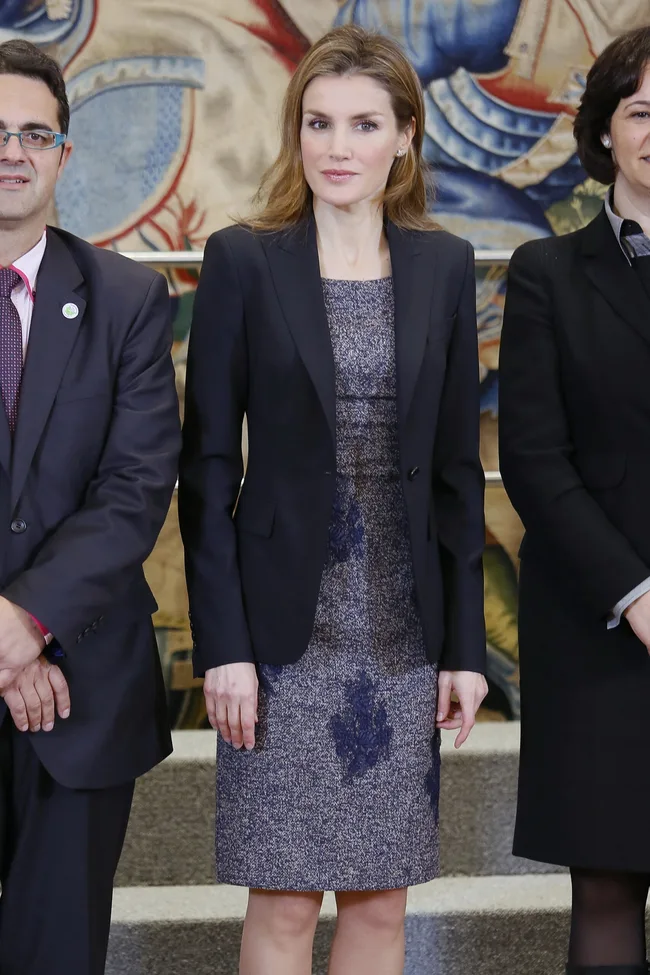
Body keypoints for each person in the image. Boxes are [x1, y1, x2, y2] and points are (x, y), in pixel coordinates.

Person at [180, 24, 487, 975]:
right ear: (296, 133)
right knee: (279, 902)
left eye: (363, 124)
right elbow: (203, 472)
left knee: (382, 905)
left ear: (405, 137)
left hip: (399, 634)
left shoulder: (444, 266)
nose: (338, 147)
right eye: (318, 123)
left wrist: (465, 650)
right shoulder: (243, 257)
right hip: (277, 643)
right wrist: (222, 645)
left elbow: (454, 477)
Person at [0, 39, 180, 975]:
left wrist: (26, 620)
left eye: (35, 132)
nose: (13, 150)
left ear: (65, 155)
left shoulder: (129, 299)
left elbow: (135, 486)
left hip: (81, 692)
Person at [499, 25, 650, 975]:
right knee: (605, 888)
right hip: (600, 628)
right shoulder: (547, 274)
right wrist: (637, 594)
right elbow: (535, 460)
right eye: (644, 111)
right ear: (607, 131)